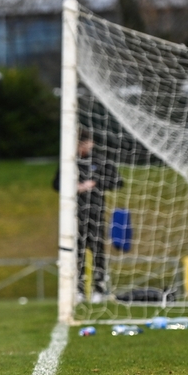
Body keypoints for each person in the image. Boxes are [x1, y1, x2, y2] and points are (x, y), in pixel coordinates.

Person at [53, 129, 122, 303]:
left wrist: (95, 183)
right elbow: (55, 184)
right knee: (78, 253)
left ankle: (99, 289)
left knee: (98, 251)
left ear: (91, 143)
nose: (83, 147)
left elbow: (118, 182)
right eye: (80, 143)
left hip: (96, 213)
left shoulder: (100, 161)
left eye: (86, 143)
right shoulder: (69, 162)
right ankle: (79, 290)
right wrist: (74, 187)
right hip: (75, 215)